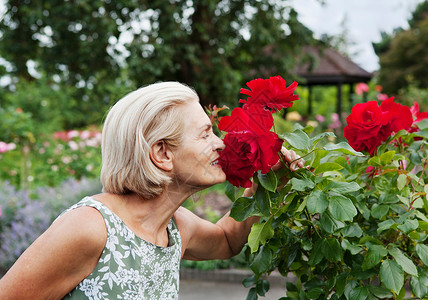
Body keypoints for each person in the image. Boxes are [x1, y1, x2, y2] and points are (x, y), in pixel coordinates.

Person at [0, 82, 304, 299]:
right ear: (161, 153)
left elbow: (227, 241)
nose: (221, 143)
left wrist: (268, 181)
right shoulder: (91, 228)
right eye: (206, 133)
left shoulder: (176, 227)